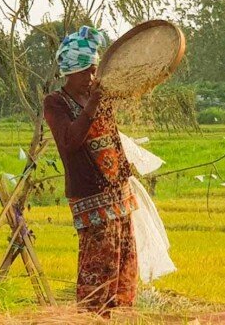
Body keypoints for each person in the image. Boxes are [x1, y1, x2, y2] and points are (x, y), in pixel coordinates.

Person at [43, 26, 139, 316]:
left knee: (122, 258)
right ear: (69, 73)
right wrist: (94, 103)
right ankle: (91, 318)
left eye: (95, 71)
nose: (92, 78)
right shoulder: (56, 103)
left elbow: (112, 137)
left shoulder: (101, 98)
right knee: (98, 262)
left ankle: (113, 317)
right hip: (90, 198)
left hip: (117, 192)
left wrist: (125, 171)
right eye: (86, 72)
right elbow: (70, 141)